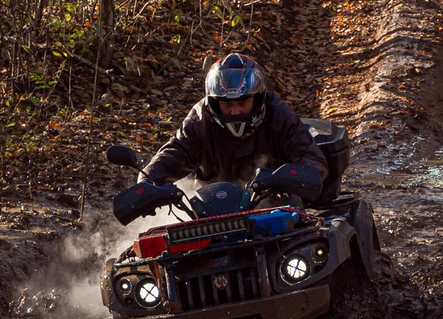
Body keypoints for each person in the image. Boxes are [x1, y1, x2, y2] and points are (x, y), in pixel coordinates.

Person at [114, 53, 326, 223]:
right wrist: (147, 184)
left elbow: (312, 159)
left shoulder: (278, 114)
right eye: (227, 104)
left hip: (274, 208)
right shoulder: (199, 120)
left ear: (257, 98)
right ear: (214, 102)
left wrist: (288, 178)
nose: (235, 111)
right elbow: (175, 152)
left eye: (243, 103)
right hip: (210, 215)